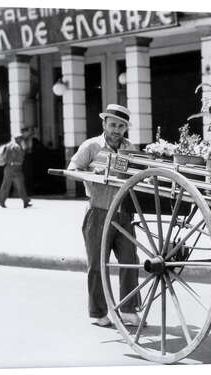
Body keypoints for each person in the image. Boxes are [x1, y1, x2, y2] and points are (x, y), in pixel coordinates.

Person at [67, 104, 141, 328]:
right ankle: (98, 313)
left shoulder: (130, 148)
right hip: (98, 212)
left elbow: (139, 173)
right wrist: (91, 173)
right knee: (97, 265)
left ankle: (128, 311)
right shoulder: (91, 146)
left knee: (130, 261)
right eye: (113, 125)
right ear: (104, 124)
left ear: (126, 128)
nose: (116, 130)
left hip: (123, 213)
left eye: (121, 126)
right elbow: (72, 170)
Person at [0, 133, 32, 208]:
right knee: (19, 185)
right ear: (17, 139)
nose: (21, 139)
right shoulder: (15, 146)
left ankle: (2, 201)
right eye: (20, 138)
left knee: (7, 185)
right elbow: (20, 157)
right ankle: (25, 201)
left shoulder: (10, 145)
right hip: (14, 168)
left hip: (10, 168)